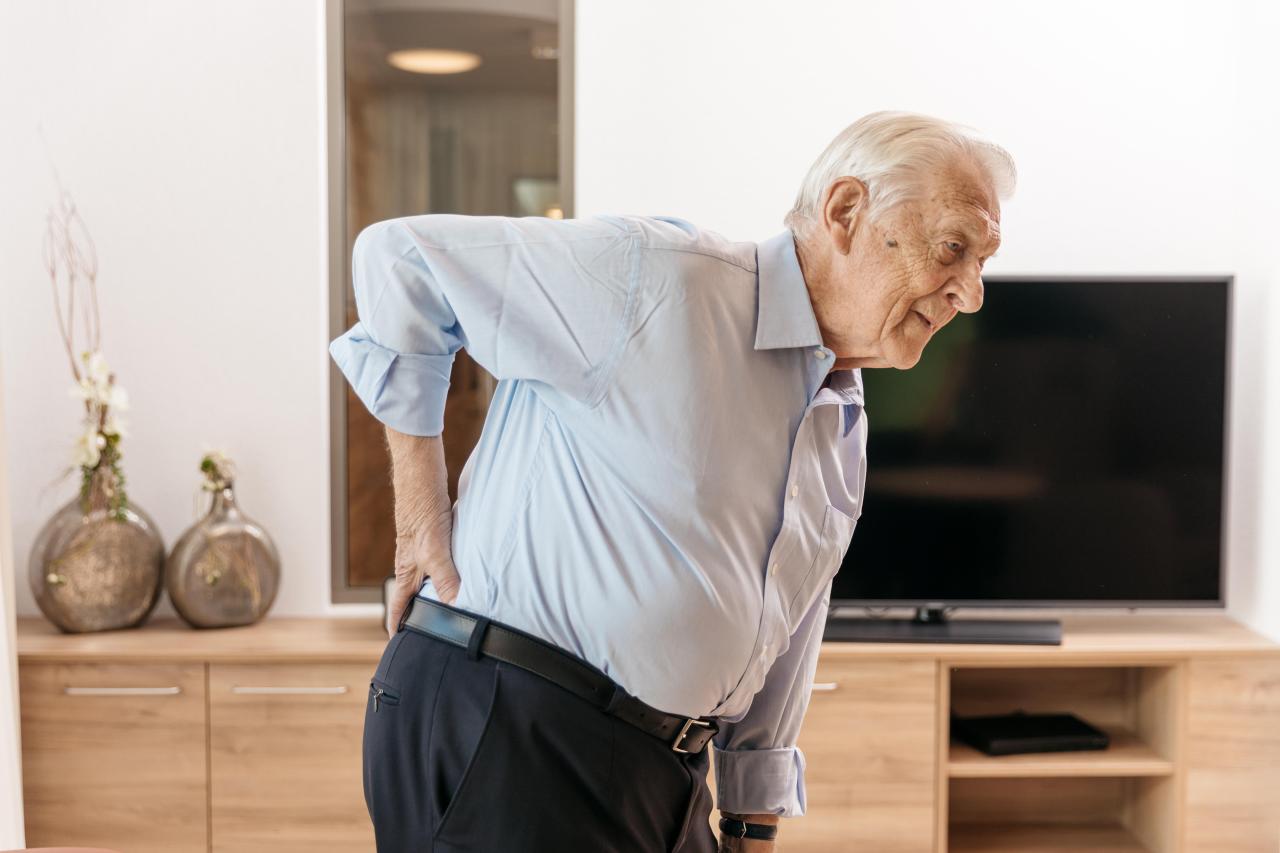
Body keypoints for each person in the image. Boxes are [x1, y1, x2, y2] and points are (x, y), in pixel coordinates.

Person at [330, 110, 1015, 853]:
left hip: (661, 763)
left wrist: (752, 819)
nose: (971, 293)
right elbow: (401, 259)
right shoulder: (657, 276)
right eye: (953, 248)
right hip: (508, 719)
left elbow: (785, 627)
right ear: (846, 211)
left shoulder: (843, 421)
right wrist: (419, 519)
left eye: (982, 262)